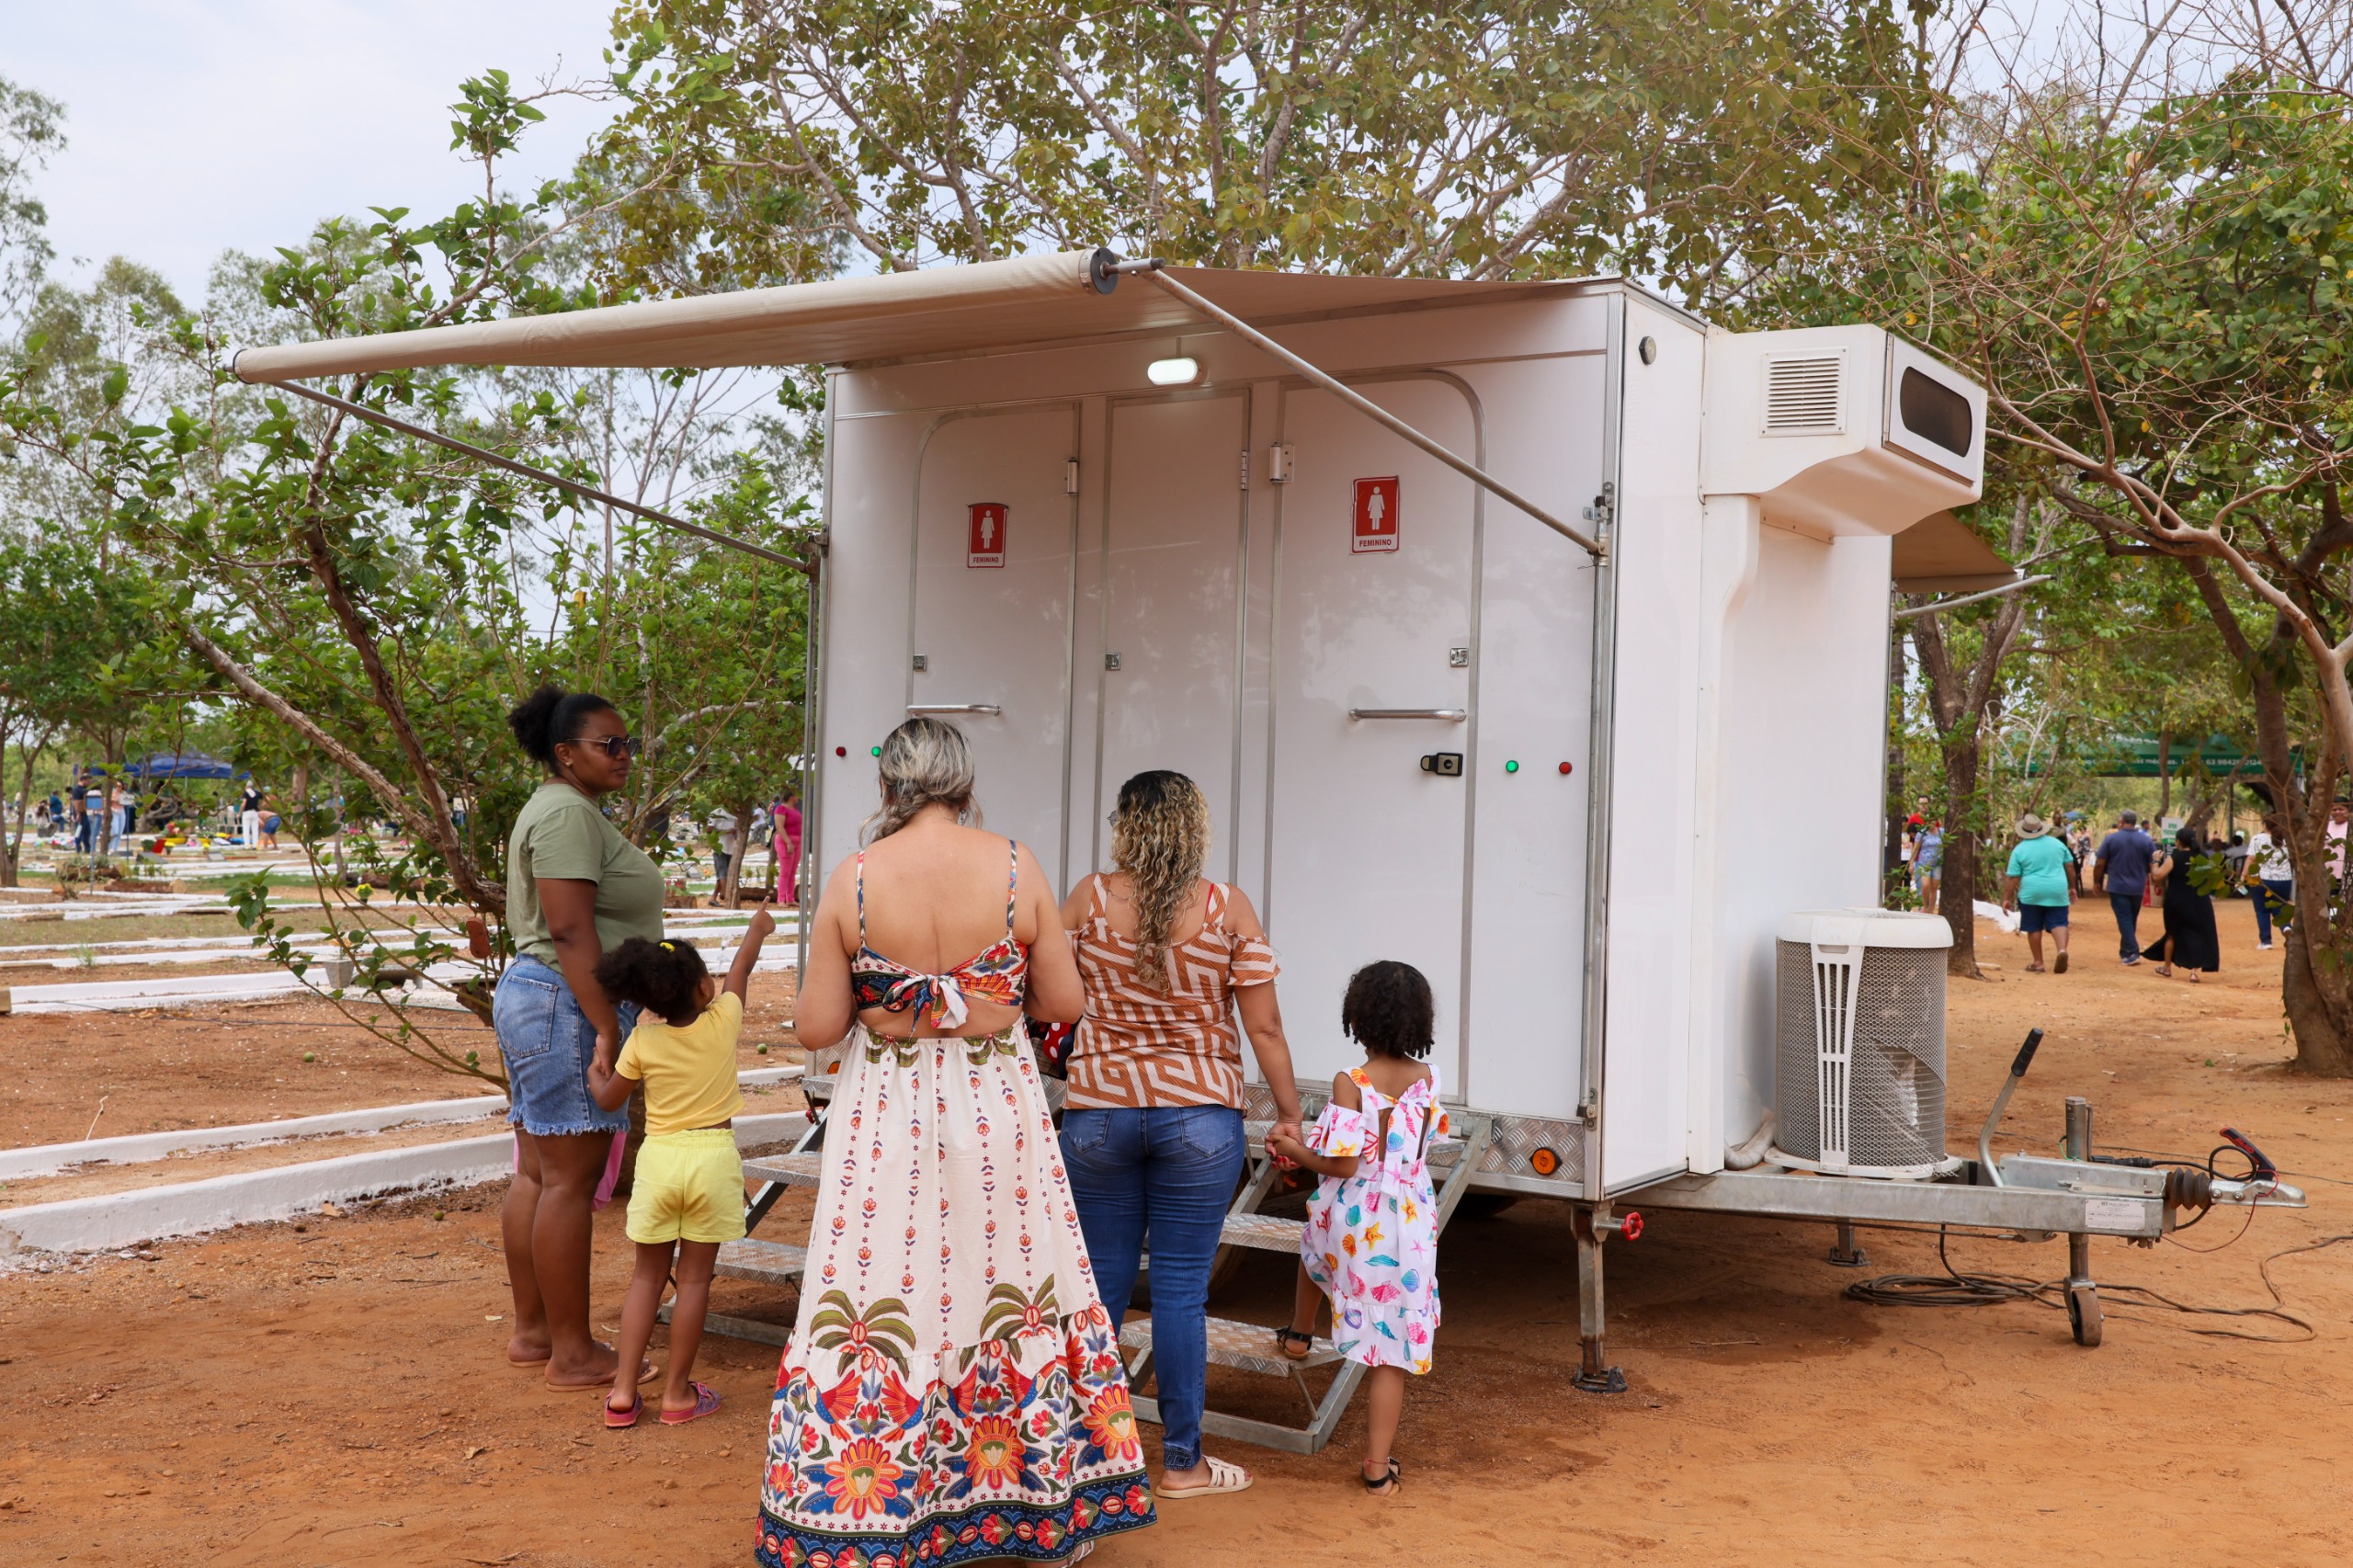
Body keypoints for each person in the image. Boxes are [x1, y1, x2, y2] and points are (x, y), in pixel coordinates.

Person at [758, 717, 1151, 1568]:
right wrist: (982, 997)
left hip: (889, 1109)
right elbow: (1063, 1005)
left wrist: (883, 1002)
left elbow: (816, 1026)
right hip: (992, 1100)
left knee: (884, 1281)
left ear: (888, 786)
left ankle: (877, 1506)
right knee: (1006, 1275)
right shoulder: (1015, 865)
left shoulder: (854, 879)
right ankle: (1030, 1501)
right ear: (964, 781)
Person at [1060, 769, 1309, 1502]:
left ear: (1123, 826)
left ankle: (1088, 1460)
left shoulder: (1089, 899)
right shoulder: (1226, 907)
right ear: (1193, 827)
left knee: (1098, 1289)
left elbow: (1048, 993)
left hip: (1098, 1112)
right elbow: (1263, 1026)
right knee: (1177, 1293)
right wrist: (1288, 1116)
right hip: (1201, 1116)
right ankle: (1183, 1465)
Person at [491, 686, 666, 1392]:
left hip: (543, 998)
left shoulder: (564, 808)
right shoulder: (565, 813)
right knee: (569, 1179)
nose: (626, 756)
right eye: (610, 745)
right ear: (566, 754)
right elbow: (568, 929)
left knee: (539, 1172)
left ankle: (536, 1333)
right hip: (567, 1003)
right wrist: (603, 1027)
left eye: (629, 744)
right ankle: (572, 1352)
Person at [587, 906, 776, 1428]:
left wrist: (596, 1069)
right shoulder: (724, 1020)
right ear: (702, 989)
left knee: (646, 1279)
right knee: (694, 1283)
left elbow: (608, 1100)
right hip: (713, 1160)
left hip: (661, 1161)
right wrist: (758, 927)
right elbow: (743, 967)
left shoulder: (643, 1040)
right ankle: (677, 1395)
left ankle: (624, 1394)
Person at [1268, 960, 1448, 1497]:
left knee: (1315, 1241)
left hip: (1358, 1216)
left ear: (1358, 1017)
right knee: (1389, 1351)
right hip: (1411, 1220)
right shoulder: (1429, 1078)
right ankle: (1377, 1468)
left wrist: (1293, 1148)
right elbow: (1424, 1143)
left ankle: (1300, 1332)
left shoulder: (1352, 1083)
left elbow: (1343, 1166)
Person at [2002, 813, 2077, 974]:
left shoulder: (2020, 849)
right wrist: (2072, 887)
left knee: (2033, 925)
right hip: (2057, 889)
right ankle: (2062, 950)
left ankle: (2038, 963)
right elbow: (2070, 866)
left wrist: (2006, 898)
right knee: (2059, 922)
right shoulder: (2057, 844)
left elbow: (2013, 876)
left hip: (2031, 892)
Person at [2145, 826, 2221, 983]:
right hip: (2200, 901)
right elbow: (2212, 878)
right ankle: (2193, 972)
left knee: (2172, 933)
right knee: (2198, 934)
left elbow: (2157, 876)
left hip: (2176, 902)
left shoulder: (2175, 857)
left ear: (2178, 842)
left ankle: (2167, 968)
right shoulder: (2203, 856)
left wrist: (2155, 861)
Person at [2093, 809, 2157, 965]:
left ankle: (2133, 952)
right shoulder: (2146, 840)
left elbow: (2100, 862)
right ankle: (2125, 951)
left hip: (2118, 886)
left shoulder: (2111, 839)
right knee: (2130, 918)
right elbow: (2153, 862)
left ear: (2121, 822)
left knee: (2124, 918)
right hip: (2137, 886)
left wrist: (2097, 881)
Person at [2246, 817, 2294, 950]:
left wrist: (2244, 875)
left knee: (2262, 910)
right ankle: (2286, 928)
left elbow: (2251, 858)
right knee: (2281, 908)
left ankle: (2266, 941)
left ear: (2265, 825)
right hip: (2284, 880)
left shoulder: (2257, 839)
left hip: (2262, 879)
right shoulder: (2288, 840)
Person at [773, 790, 803, 906]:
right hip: (785, 841)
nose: (798, 798)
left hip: (797, 841)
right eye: (796, 795)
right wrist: (788, 843)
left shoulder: (795, 809)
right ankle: (780, 899)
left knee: (792, 871)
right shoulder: (781, 809)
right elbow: (779, 827)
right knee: (785, 872)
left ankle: (790, 898)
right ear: (791, 797)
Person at [1914, 817, 1944, 912]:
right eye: (1930, 820)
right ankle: (1923, 905)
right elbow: (1915, 848)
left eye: (1934, 820)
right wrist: (1911, 864)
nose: (1932, 822)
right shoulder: (1922, 833)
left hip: (1937, 863)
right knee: (1925, 884)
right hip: (1924, 863)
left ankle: (1931, 910)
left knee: (1934, 887)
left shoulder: (1941, 832)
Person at [240, 782, 264, 847]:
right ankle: (255, 845)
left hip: (247, 812)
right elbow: (265, 798)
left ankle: (247, 845)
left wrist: (239, 813)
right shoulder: (257, 793)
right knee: (255, 829)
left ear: (246, 786)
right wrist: (259, 806)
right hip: (255, 812)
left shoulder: (246, 793)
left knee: (246, 829)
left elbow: (244, 803)